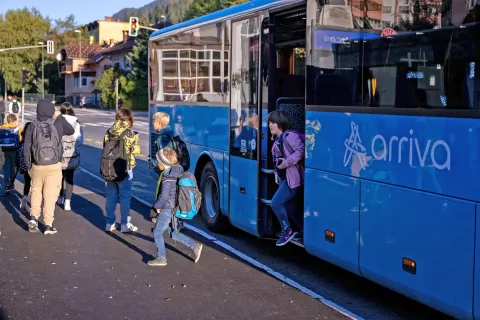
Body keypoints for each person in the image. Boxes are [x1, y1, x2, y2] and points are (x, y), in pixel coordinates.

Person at [24, 99, 75, 235]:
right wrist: (59, 116)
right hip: (54, 165)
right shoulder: (57, 123)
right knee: (50, 195)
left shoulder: (32, 126)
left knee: (36, 191)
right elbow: (70, 130)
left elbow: (27, 148)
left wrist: (29, 166)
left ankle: (34, 217)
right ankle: (48, 224)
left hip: (37, 165)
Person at [148, 148, 202, 267]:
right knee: (173, 232)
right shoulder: (176, 171)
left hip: (167, 208)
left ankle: (161, 257)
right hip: (174, 207)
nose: (157, 164)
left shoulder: (167, 178)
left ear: (163, 163)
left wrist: (156, 206)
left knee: (157, 232)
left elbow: (164, 196)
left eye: (158, 162)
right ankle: (194, 246)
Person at [268, 110, 305, 246]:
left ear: (280, 123)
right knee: (289, 205)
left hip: (293, 180)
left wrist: (286, 162)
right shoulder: (277, 139)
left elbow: (301, 151)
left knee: (276, 203)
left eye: (273, 123)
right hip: (286, 179)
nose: (270, 125)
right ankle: (303, 229)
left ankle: (287, 231)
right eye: (269, 123)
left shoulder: (288, 136)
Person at [103, 108, 140, 233]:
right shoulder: (130, 134)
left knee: (110, 197)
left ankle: (109, 223)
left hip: (108, 168)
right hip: (125, 168)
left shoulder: (108, 132)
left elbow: (105, 148)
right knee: (124, 198)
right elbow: (136, 151)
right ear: (129, 120)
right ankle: (124, 224)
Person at [58, 103, 83, 211]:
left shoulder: (58, 122)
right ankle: (67, 202)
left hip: (59, 155)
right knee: (70, 178)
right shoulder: (77, 124)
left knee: (59, 177)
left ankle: (60, 197)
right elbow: (80, 141)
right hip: (72, 156)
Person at [0, 114, 22, 194]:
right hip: (14, 151)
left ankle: (6, 186)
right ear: (15, 120)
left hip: (4, 151)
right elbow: (20, 140)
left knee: (6, 168)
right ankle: (12, 184)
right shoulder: (18, 129)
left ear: (7, 120)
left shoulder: (2, 127)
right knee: (13, 167)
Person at [17, 122, 32, 210]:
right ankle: (34, 203)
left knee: (27, 183)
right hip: (33, 166)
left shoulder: (23, 141)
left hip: (25, 166)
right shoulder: (34, 140)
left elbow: (19, 155)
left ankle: (25, 196)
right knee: (35, 186)